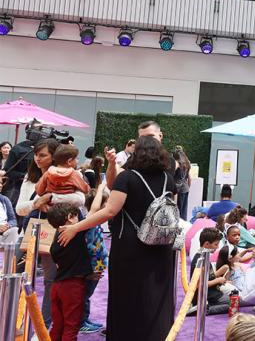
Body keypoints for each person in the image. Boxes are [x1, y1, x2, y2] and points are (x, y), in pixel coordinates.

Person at [56, 136, 176, 341]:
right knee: (156, 294)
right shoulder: (168, 179)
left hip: (131, 247)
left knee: (127, 295)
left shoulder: (127, 178)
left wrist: (76, 227)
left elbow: (109, 211)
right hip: (162, 245)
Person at [16, 138, 85, 329]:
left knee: (50, 279)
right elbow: (20, 209)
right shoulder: (30, 179)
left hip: (57, 234)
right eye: (36, 155)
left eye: (43, 155)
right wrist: (37, 203)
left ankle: (44, 325)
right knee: (16, 272)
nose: (38, 159)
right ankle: (15, 318)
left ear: (54, 156)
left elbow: (80, 199)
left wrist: (52, 197)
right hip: (29, 230)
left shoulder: (71, 174)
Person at [48, 203, 92, 341]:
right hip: (72, 287)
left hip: (57, 286)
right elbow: (94, 211)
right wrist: (101, 187)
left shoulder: (55, 242)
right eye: (77, 217)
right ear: (69, 217)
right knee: (71, 328)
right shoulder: (75, 233)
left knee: (57, 326)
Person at [79, 182, 108, 333]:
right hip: (91, 264)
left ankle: (85, 318)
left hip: (96, 263)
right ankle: (81, 322)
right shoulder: (90, 221)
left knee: (88, 293)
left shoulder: (95, 222)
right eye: (106, 203)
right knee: (85, 293)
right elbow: (90, 246)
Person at [192, 228, 234, 308]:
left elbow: (207, 277)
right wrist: (217, 280)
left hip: (214, 293)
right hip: (209, 297)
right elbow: (198, 285)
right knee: (234, 303)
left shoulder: (205, 256)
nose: (217, 247)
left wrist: (220, 278)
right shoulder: (200, 260)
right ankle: (204, 308)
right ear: (207, 244)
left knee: (233, 299)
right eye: (216, 244)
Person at [172, 146, 192, 220]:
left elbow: (171, 174)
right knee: (184, 211)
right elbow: (190, 178)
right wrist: (188, 187)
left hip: (177, 190)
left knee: (177, 211)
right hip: (185, 188)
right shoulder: (187, 163)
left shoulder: (177, 164)